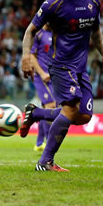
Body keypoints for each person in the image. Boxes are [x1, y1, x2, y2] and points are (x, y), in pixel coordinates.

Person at [20, 0, 103, 172]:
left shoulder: (94, 0)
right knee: (70, 110)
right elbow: (30, 31)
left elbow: (96, 30)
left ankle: (36, 113)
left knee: (83, 116)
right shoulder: (53, 3)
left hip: (81, 67)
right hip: (61, 65)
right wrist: (26, 56)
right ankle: (45, 162)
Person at [30, 24, 57, 152]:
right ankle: (48, 143)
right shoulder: (38, 34)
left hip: (54, 77)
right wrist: (41, 73)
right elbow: (31, 56)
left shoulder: (57, 33)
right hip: (42, 77)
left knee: (47, 109)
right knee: (50, 106)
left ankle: (39, 143)